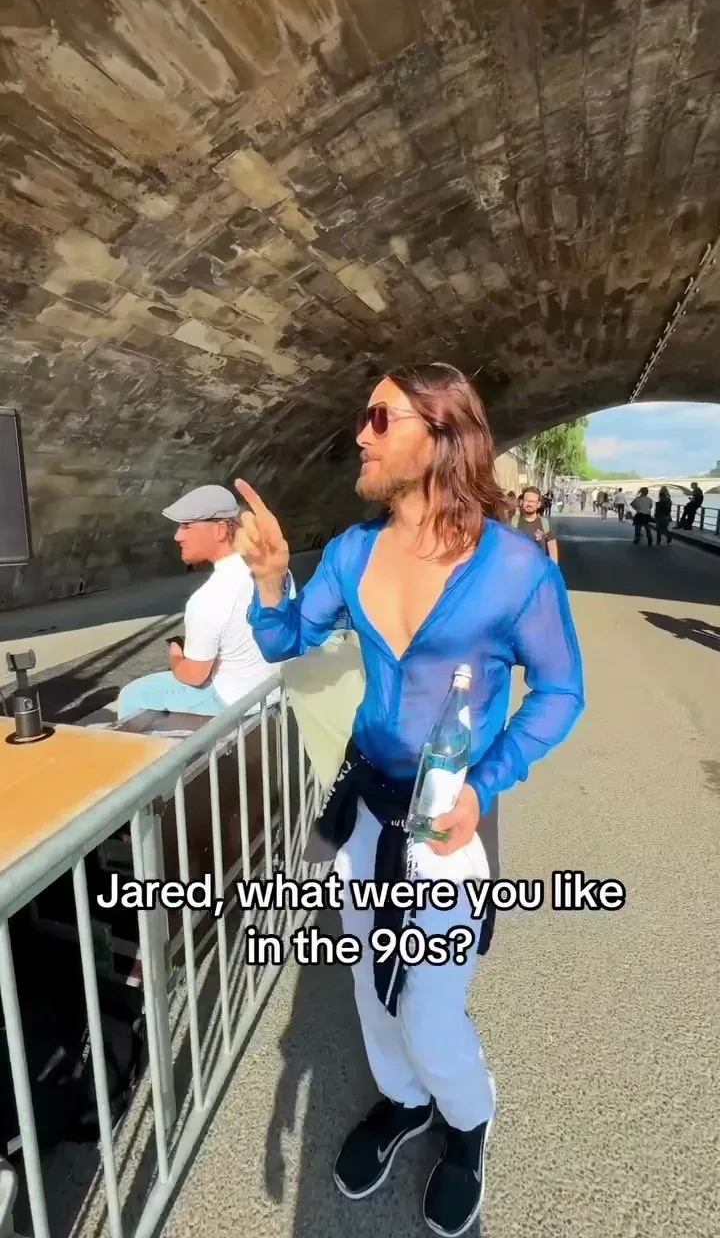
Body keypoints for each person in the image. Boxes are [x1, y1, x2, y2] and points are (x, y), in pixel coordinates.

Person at [235, 362, 585, 1238]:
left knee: (430, 1012)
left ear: (442, 436)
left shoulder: (515, 569)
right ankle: (403, 1103)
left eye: (380, 418)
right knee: (369, 981)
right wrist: (272, 580)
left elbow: (559, 692)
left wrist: (486, 785)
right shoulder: (351, 554)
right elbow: (288, 640)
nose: (360, 434)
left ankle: (468, 1122)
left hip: (447, 825)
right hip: (364, 812)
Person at [116, 486, 287, 722]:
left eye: (186, 526)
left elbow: (194, 676)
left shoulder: (208, 598)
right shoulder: (275, 571)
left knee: (133, 695)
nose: (177, 536)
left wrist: (176, 657)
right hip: (275, 688)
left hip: (236, 698)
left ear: (220, 530)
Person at [511, 486, 559, 563]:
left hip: (540, 568)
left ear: (538, 504)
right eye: (526, 501)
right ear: (521, 502)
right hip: (518, 568)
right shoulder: (513, 522)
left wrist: (553, 568)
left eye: (532, 501)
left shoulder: (545, 523)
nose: (529, 504)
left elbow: (553, 551)